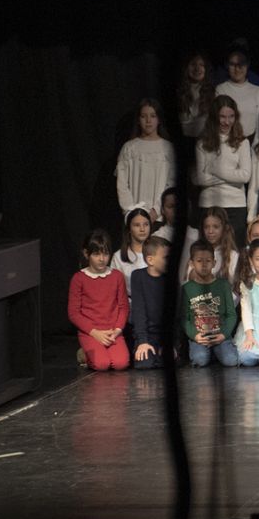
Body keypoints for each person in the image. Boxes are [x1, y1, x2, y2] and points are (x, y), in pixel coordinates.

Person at [70, 229, 130, 371]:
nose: (102, 259)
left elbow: (123, 307)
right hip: (91, 332)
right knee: (102, 364)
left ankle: (97, 352)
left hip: (112, 332)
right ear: (87, 254)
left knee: (121, 363)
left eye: (105, 254)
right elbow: (74, 313)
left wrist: (117, 330)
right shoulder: (79, 279)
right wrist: (94, 332)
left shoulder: (116, 276)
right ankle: (85, 354)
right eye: (96, 254)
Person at [195, 95, 253, 232]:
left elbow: (245, 176)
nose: (227, 122)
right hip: (209, 203)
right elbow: (201, 179)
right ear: (214, 117)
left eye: (231, 116)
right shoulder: (202, 143)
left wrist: (215, 169)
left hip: (235, 204)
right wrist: (232, 176)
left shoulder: (242, 142)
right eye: (222, 117)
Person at [116, 98, 177, 222]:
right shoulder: (129, 148)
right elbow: (122, 184)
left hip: (159, 218)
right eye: (144, 116)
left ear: (159, 119)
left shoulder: (168, 149)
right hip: (134, 219)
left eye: (153, 116)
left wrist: (156, 211)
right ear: (138, 120)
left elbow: (171, 183)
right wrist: (132, 212)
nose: (148, 121)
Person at [182, 238, 239, 368]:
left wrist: (224, 334)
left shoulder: (223, 285)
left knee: (231, 360)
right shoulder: (187, 288)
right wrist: (195, 335)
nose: (204, 265)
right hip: (200, 337)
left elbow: (231, 314)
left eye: (208, 261)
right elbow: (184, 318)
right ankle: (209, 354)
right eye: (199, 261)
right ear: (191, 263)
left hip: (220, 335)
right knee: (200, 360)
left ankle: (216, 353)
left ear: (214, 263)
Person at [129, 236, 171, 368]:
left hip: (164, 334)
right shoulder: (138, 277)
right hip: (147, 334)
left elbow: (173, 315)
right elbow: (139, 311)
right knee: (145, 363)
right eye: (166, 257)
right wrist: (142, 341)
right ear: (150, 260)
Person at [216, 46, 259, 138]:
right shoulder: (220, 89)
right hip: (227, 140)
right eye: (232, 64)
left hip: (252, 140)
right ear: (227, 65)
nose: (237, 68)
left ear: (247, 65)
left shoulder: (258, 91)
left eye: (241, 64)